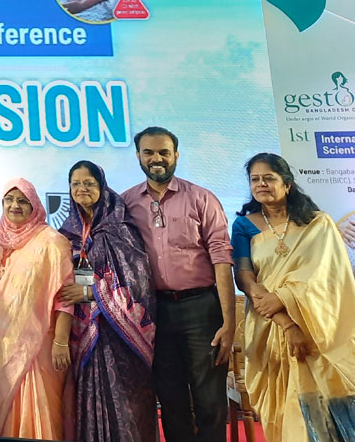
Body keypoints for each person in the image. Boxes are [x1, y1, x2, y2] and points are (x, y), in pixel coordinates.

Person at [120, 127, 235, 442]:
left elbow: (222, 260)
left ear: (176, 155)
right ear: (138, 156)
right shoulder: (126, 203)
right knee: (170, 399)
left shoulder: (201, 198)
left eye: (164, 152)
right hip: (154, 311)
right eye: (149, 152)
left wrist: (229, 322)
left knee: (210, 399)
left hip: (201, 308)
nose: (156, 159)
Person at [231, 152, 355, 441]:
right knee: (289, 412)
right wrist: (285, 320)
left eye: (269, 178)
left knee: (328, 401)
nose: (261, 184)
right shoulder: (244, 226)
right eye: (255, 179)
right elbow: (245, 276)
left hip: (319, 327)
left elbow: (330, 278)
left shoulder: (318, 224)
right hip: (269, 325)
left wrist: (284, 296)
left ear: (287, 184)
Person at [58, 160, 157, 442]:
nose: (82, 189)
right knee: (87, 397)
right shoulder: (67, 231)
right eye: (75, 184)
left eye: (89, 183)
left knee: (123, 403)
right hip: (82, 331)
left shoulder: (119, 227)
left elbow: (138, 279)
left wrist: (92, 293)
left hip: (119, 334)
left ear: (102, 187)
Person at [0, 177, 73, 439]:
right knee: (6, 409)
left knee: (41, 407)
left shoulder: (52, 241)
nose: (15, 205)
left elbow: (64, 295)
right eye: (9, 199)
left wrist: (61, 341)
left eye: (23, 201)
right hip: (0, 343)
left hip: (39, 343)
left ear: (35, 205)